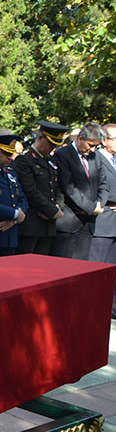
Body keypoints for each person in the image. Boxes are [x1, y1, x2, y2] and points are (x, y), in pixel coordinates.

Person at [51, 123, 108, 260]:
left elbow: (103, 184)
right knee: (63, 267)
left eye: (97, 146)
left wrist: (98, 204)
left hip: (88, 222)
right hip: (69, 221)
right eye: (90, 145)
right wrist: (90, 207)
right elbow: (68, 187)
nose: (93, 149)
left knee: (81, 267)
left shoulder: (96, 157)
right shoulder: (63, 155)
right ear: (80, 139)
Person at [13, 121, 67, 255]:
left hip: (48, 224)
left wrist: (57, 206)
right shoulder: (24, 161)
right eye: (50, 143)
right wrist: (51, 210)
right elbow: (30, 191)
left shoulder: (50, 161)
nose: (52, 147)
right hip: (31, 223)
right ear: (40, 138)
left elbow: (56, 188)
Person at [92, 124, 116, 317]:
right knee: (98, 270)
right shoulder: (97, 159)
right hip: (103, 223)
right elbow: (101, 188)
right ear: (105, 140)